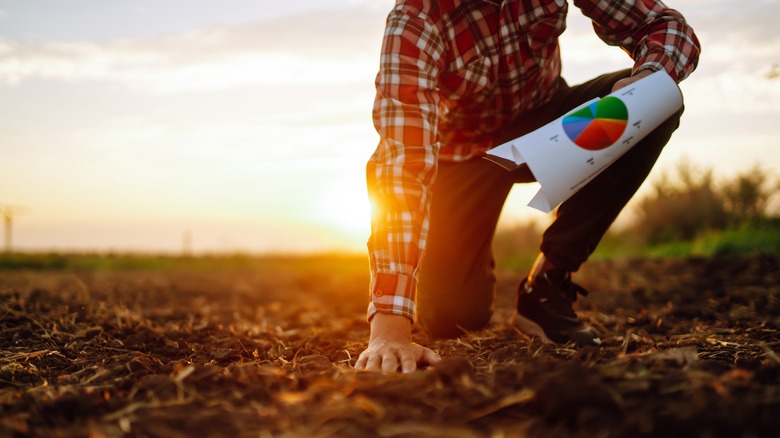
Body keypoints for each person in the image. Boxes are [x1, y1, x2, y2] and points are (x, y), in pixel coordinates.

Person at [354, 0, 700, 373]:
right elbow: (402, 167)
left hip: (549, 120)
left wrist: (647, 80)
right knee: (452, 316)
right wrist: (389, 325)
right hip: (464, 156)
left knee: (656, 101)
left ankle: (548, 281)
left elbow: (662, 24)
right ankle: (458, 284)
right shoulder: (416, 21)